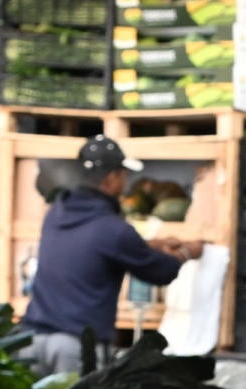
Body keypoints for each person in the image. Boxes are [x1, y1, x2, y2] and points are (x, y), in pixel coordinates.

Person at [19, 135, 202, 370]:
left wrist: (151, 244)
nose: (126, 181)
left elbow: (92, 245)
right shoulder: (113, 230)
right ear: (112, 178)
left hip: (32, 341)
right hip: (76, 349)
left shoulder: (55, 214)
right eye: (124, 174)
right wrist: (187, 252)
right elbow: (160, 271)